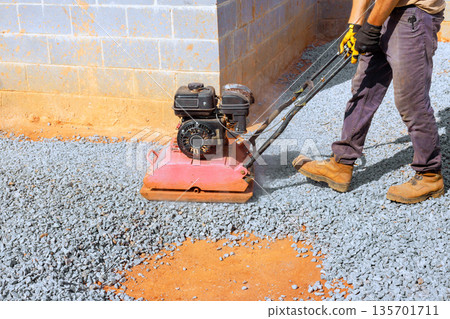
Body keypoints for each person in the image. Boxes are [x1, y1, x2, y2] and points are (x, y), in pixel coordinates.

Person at [292, 0, 446, 204]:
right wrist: (354, 25)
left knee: (411, 100)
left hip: (412, 17)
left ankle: (429, 175)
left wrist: (371, 27)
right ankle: (342, 164)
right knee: (364, 89)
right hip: (382, 13)